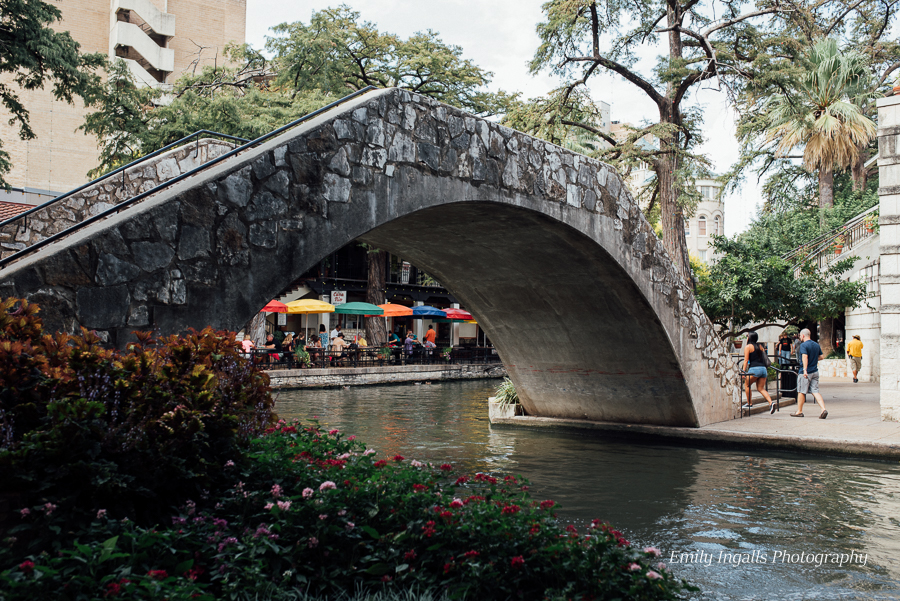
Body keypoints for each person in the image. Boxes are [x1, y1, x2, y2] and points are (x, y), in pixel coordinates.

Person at [794, 328, 827, 418]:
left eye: (800, 336)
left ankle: (799, 411)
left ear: (803, 335)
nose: (800, 337)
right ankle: (823, 409)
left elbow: (805, 357)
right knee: (815, 391)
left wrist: (805, 370)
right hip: (815, 371)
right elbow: (821, 357)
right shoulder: (816, 345)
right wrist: (813, 359)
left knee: (801, 391)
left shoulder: (804, 345)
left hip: (806, 372)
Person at [742, 332, 775, 414]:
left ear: (750, 338)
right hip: (763, 369)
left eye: (747, 336)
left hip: (754, 369)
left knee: (746, 385)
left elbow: (746, 360)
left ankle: (749, 403)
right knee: (760, 388)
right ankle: (771, 403)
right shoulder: (760, 346)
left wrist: (743, 371)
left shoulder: (748, 347)